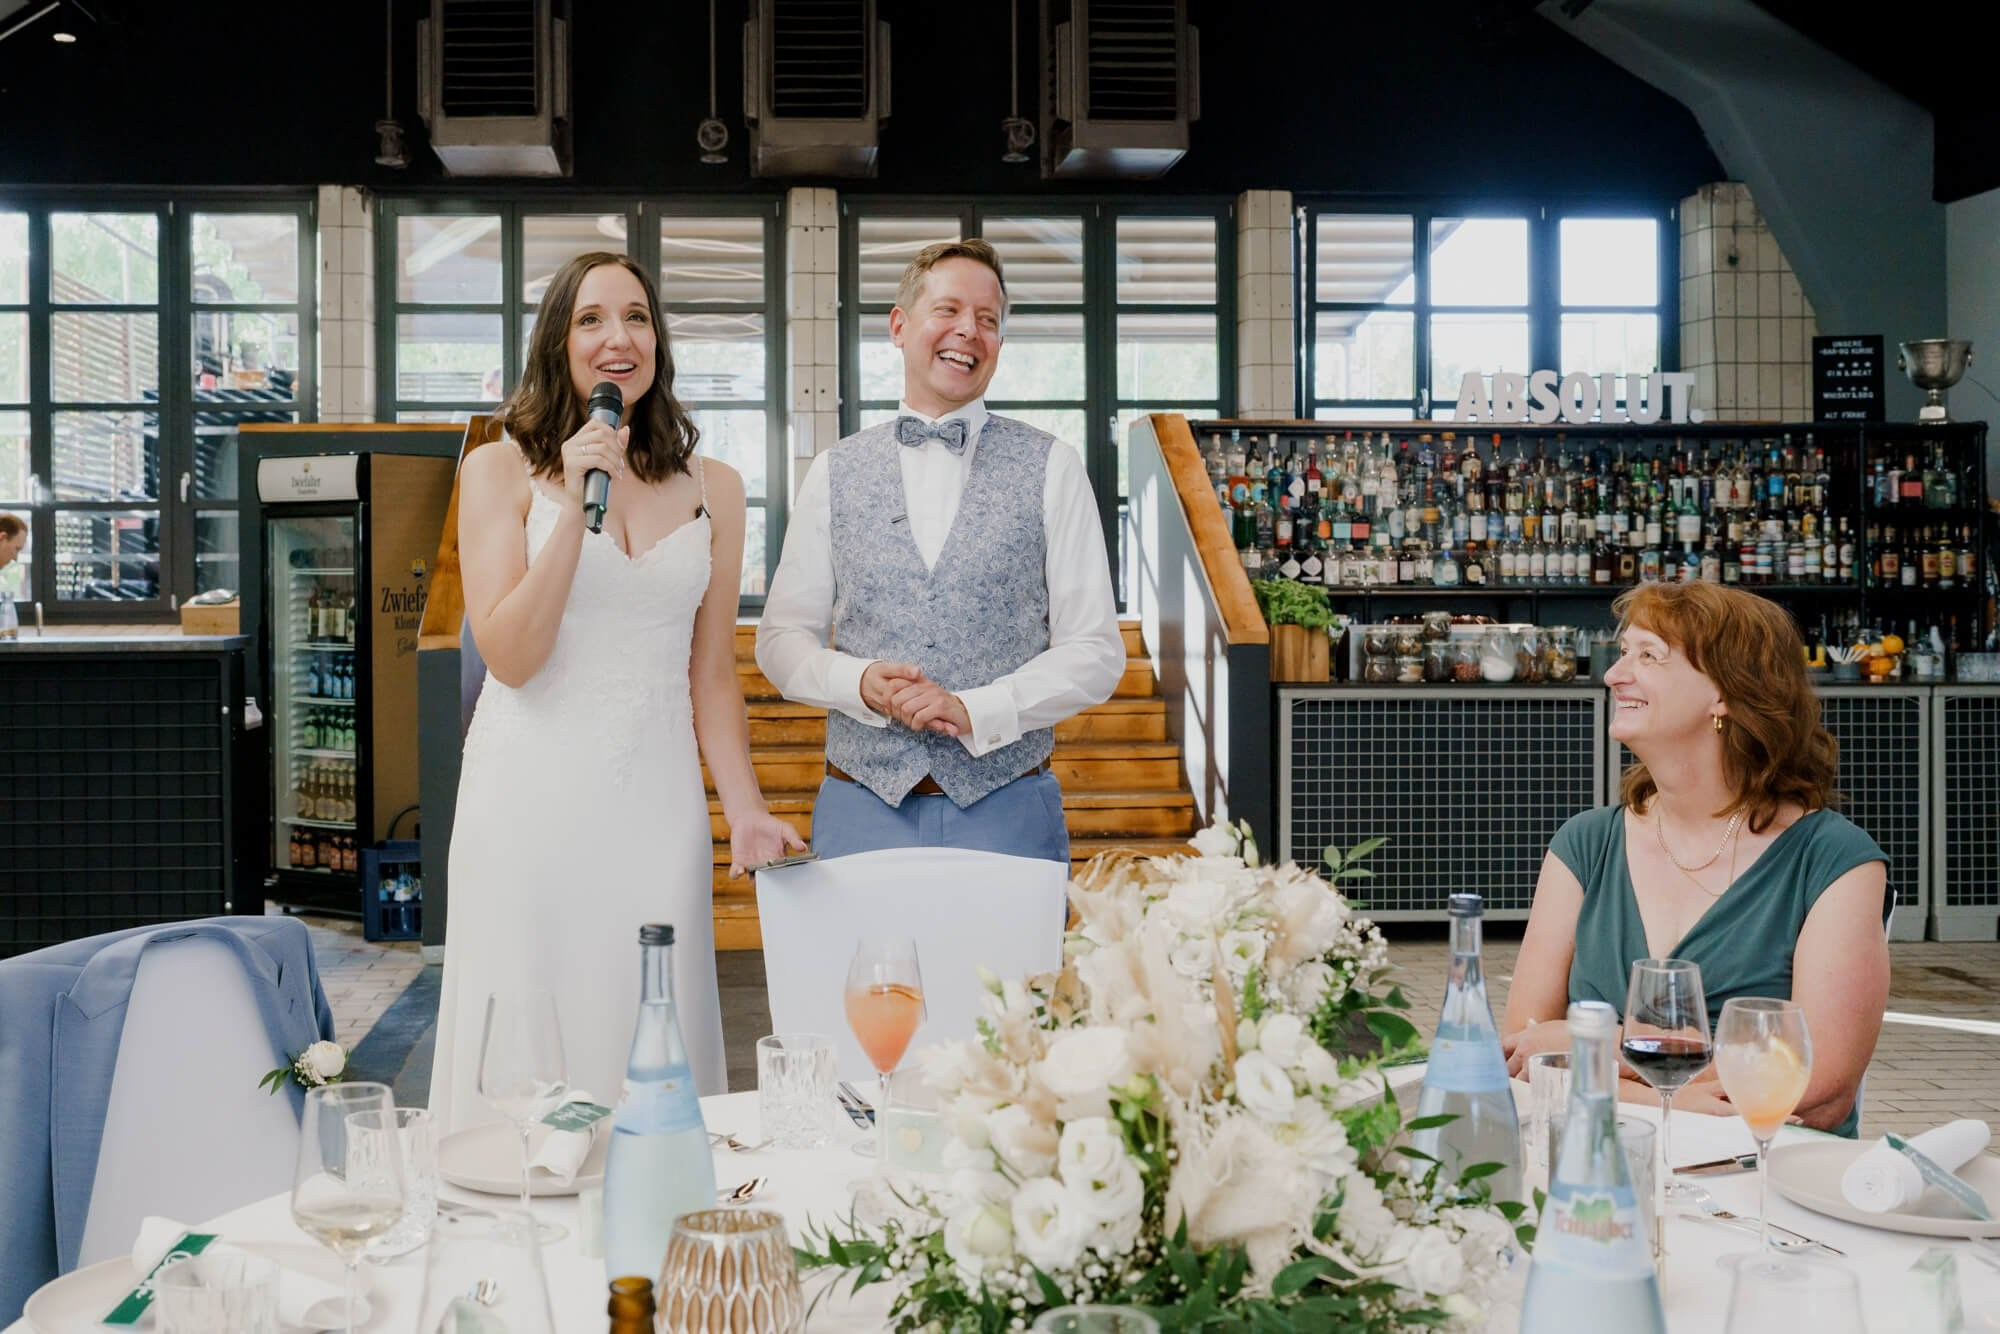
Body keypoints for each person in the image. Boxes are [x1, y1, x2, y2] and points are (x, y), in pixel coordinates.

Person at [430, 251, 803, 1129]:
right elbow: (513, 656)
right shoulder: (497, 469)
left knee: (651, 1027)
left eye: (636, 317)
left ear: (657, 341)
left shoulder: (717, 489)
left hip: (654, 803)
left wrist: (743, 808)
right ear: (558, 342)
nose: (618, 337)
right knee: (529, 1037)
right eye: (591, 319)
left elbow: (711, 672)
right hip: (526, 803)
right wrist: (571, 507)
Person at [755, 239, 1124, 863]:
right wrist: (861, 682)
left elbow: (1094, 651)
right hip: (860, 805)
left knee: (1015, 968)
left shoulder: (1052, 466)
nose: (968, 332)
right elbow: (781, 639)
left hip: (1008, 808)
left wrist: (978, 709)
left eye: (988, 320)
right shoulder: (834, 470)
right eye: (948, 310)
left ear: (1000, 344)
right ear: (899, 326)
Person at [1501, 582, 1889, 1137]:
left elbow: (1819, 1090)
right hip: (1600, 1172)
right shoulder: (1585, 845)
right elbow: (1523, 1055)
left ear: (1726, 694)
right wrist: (1681, 1096)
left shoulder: (1833, 860)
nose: (1614, 673)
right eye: (1624, 651)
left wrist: (1595, 1048)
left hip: (1762, 1190)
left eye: (1649, 655)